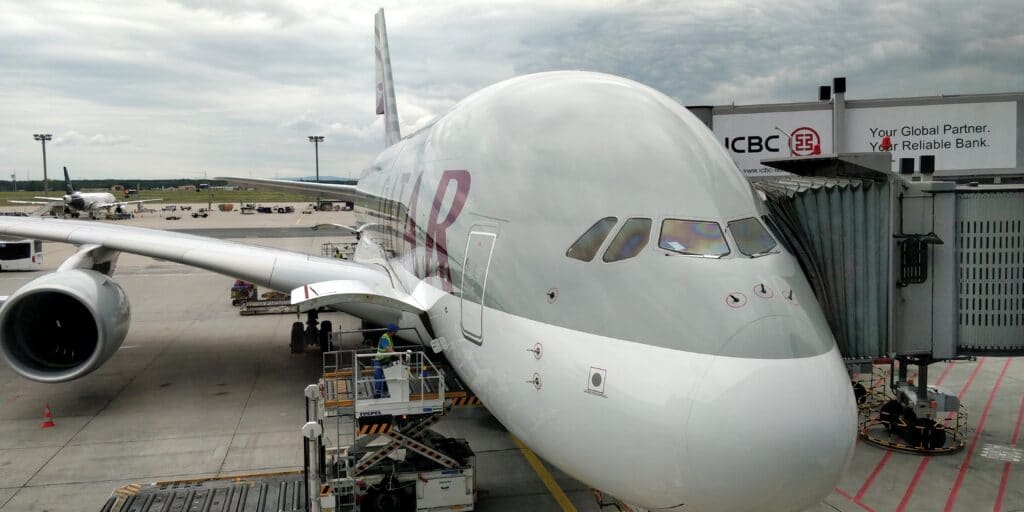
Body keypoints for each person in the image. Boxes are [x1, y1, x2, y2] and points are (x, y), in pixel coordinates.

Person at [374, 323, 398, 398]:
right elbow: (387, 347)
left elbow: (389, 348)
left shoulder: (389, 337)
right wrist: (397, 354)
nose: (396, 332)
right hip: (379, 360)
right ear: (392, 331)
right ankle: (378, 394)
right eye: (395, 331)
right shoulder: (384, 337)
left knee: (387, 376)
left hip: (386, 360)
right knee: (378, 377)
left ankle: (386, 392)